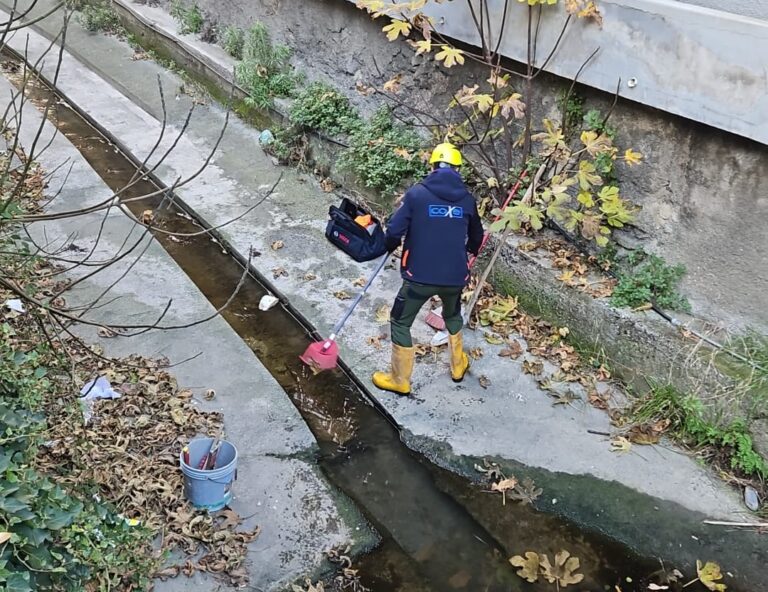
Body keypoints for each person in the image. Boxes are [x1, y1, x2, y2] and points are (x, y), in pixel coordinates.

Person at [372, 142, 483, 395]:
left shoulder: (417, 194)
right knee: (452, 316)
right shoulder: (467, 200)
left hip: (418, 276)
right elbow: (477, 236)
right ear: (457, 169)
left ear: (433, 166)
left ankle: (400, 380)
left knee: (400, 321)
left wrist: (387, 245)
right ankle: (457, 367)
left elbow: (395, 230)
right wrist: (470, 252)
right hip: (455, 276)